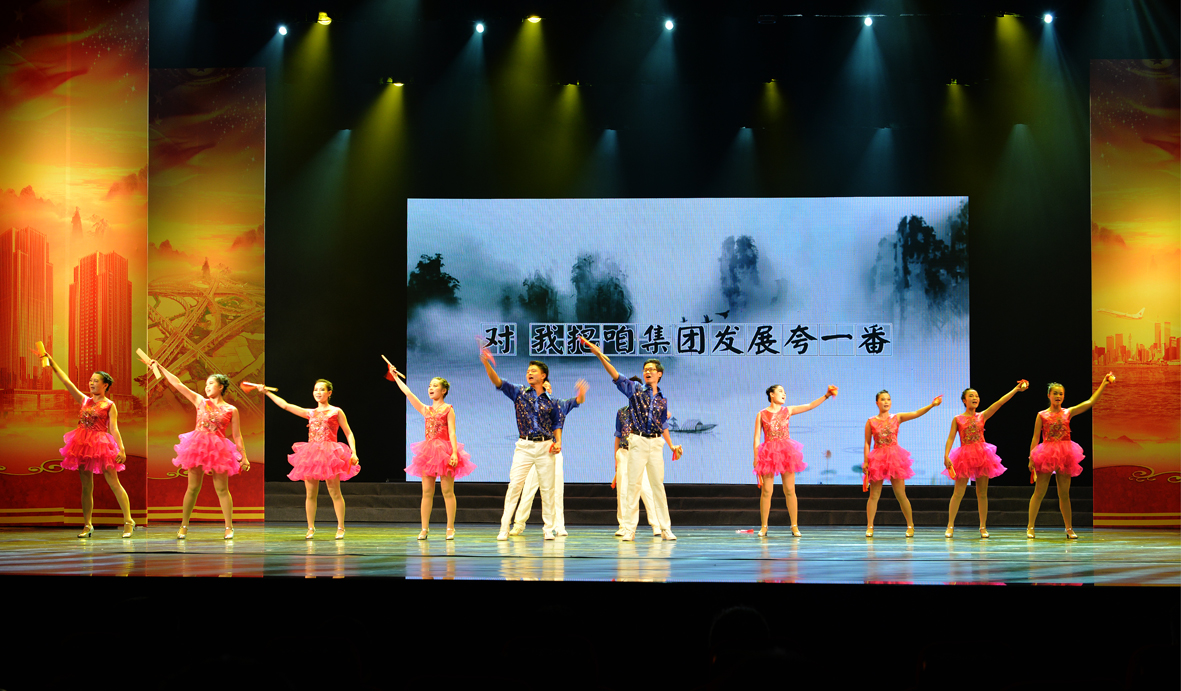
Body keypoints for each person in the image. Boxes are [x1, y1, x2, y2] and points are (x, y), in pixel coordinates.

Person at [582, 336, 683, 542]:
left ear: (659, 374)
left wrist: (672, 446)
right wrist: (599, 355)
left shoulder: (662, 400)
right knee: (633, 485)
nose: (647, 372)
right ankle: (629, 528)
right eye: (645, 369)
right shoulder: (635, 390)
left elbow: (663, 425)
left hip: (656, 443)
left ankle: (665, 528)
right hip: (638, 441)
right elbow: (616, 375)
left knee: (657, 486)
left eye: (651, 369)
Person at [152, 361, 249, 539]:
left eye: (211, 383)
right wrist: (160, 368)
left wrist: (244, 456)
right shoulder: (200, 402)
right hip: (197, 447)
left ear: (221, 387)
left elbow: (237, 435)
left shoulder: (231, 409)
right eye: (206, 384)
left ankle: (229, 527)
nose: (207, 387)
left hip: (218, 449)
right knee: (192, 488)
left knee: (222, 489)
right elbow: (178, 384)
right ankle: (184, 526)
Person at [44, 352, 133, 538]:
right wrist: (51, 362)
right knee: (86, 486)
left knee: (114, 483)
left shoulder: (109, 405)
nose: (91, 383)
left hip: (101, 445)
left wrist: (122, 449)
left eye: (96, 381)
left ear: (105, 385)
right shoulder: (84, 400)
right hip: (82, 445)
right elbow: (67, 381)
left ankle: (128, 521)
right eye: (91, 380)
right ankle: (87, 525)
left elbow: (114, 428)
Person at [480, 349, 566, 541]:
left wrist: (558, 441)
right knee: (515, 486)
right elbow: (498, 382)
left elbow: (556, 424)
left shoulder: (551, 401)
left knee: (547, 489)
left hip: (545, 447)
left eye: (534, 371)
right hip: (524, 446)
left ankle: (548, 528)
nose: (529, 373)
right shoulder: (519, 392)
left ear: (543, 376)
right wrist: (487, 364)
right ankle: (504, 527)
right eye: (528, 371)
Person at [263, 380, 359, 540]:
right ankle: (310, 527)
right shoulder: (310, 412)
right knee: (310, 493)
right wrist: (267, 392)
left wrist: (354, 452)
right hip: (312, 454)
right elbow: (285, 405)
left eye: (322, 389)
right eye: (316, 390)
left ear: (329, 393)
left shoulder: (336, 411)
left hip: (330, 454)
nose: (318, 392)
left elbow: (348, 432)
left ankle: (341, 527)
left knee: (335, 492)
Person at [388, 366, 474, 540]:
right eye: (429, 385)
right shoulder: (426, 409)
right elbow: (408, 393)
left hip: (445, 451)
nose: (431, 388)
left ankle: (450, 528)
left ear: (444, 391)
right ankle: (424, 528)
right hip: (428, 453)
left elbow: (452, 433)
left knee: (447, 491)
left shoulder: (448, 409)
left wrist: (454, 453)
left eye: (435, 386)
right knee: (427, 492)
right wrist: (395, 376)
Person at [1026, 374, 1114, 539]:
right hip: (1046, 453)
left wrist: (1103, 384)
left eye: (1061, 393)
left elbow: (1090, 402)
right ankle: (1030, 527)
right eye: (1055, 393)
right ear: (1049, 395)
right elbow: (1035, 437)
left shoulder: (1068, 412)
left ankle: (1069, 528)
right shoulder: (1042, 415)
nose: (1058, 396)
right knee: (1039, 492)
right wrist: (1031, 458)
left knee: (1064, 494)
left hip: (1065, 453)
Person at [942, 380, 1028, 538]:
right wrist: (946, 455)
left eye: (976, 396)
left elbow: (1000, 402)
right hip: (964, 457)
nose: (975, 398)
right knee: (958, 492)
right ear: (964, 400)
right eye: (971, 396)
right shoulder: (958, 419)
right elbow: (951, 438)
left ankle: (982, 527)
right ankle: (950, 525)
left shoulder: (982, 416)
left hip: (982, 456)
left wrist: (1015, 389)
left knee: (982, 493)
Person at [753, 383, 838, 537]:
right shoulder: (762, 414)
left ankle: (794, 526)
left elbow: (810, 406)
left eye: (784, 392)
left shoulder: (788, 410)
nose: (784, 394)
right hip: (768, 453)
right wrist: (756, 457)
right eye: (780, 391)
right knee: (767, 491)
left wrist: (826, 396)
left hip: (786, 452)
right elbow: (757, 437)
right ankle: (764, 526)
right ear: (772, 394)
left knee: (790, 490)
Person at [508, 378, 588, 537]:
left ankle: (559, 526)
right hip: (536, 451)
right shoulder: (531, 406)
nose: (546, 389)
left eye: (548, 387)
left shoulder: (558, 405)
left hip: (553, 452)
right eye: (544, 387)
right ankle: (518, 524)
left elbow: (578, 401)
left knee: (556, 489)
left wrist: (582, 392)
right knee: (529, 489)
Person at [862, 391, 942, 538]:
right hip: (877, 459)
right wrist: (866, 461)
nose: (886, 402)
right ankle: (870, 526)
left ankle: (910, 525)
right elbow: (867, 442)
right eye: (882, 399)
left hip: (894, 458)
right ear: (877, 403)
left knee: (901, 494)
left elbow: (916, 413)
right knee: (874, 495)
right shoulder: (871, 421)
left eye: (888, 399)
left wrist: (932, 405)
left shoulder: (897, 417)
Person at [613, 394, 662, 537]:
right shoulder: (621, 412)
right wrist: (616, 458)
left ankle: (656, 524)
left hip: (640, 452)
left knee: (646, 489)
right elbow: (618, 435)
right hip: (624, 452)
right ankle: (623, 525)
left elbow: (665, 416)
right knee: (622, 490)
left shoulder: (646, 412)